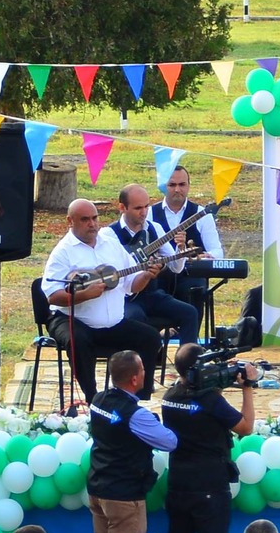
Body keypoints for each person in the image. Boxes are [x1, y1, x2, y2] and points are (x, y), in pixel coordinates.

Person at [43, 196, 166, 406]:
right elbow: (52, 295)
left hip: (113, 324)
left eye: (94, 218)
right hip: (72, 320)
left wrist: (146, 275)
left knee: (150, 338)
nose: (92, 224)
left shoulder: (111, 244)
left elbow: (130, 285)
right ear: (70, 221)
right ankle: (94, 401)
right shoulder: (62, 252)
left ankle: (137, 401)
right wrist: (84, 295)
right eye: (84, 219)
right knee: (77, 340)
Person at [161, 343, 259, 533]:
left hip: (178, 484)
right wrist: (248, 387)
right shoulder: (211, 402)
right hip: (210, 487)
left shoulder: (168, 397)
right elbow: (245, 427)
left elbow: (196, 410)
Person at [86, 349, 179, 533]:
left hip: (98, 488)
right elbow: (170, 442)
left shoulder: (98, 400)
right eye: (143, 370)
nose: (145, 373)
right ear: (135, 379)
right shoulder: (136, 415)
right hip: (124, 496)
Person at [114, 182, 203, 341]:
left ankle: (188, 361)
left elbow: (175, 268)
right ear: (122, 208)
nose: (144, 212)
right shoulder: (109, 234)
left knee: (190, 313)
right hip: (126, 298)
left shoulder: (154, 228)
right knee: (134, 318)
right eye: (138, 208)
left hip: (152, 294)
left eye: (146, 206)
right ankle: (144, 360)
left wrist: (180, 249)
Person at [154, 164, 226, 316]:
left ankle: (189, 337)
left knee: (195, 290)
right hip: (159, 276)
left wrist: (207, 256)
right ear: (163, 186)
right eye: (172, 185)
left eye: (182, 184)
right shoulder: (149, 214)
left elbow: (217, 251)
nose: (177, 189)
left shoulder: (202, 214)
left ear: (189, 186)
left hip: (190, 277)